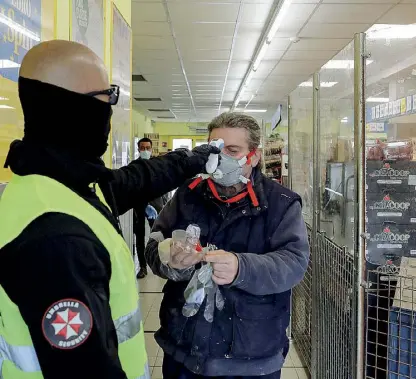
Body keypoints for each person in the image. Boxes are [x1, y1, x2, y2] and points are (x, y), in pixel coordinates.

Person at [0, 40, 219, 379]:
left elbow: (136, 179)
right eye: (109, 97)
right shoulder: (57, 239)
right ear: (75, 107)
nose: (111, 111)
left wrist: (193, 159)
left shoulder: (54, 185)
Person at [145, 112, 310, 379]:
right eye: (215, 149)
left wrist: (241, 268)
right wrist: (170, 260)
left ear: (254, 156)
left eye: (233, 150)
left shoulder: (281, 203)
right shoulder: (188, 194)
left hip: (250, 356)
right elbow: (155, 242)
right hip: (183, 350)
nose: (221, 158)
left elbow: (294, 263)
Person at [133, 137, 169, 279]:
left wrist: (165, 203)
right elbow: (132, 187)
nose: (145, 150)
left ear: (152, 148)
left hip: (156, 204)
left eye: (148, 148)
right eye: (142, 148)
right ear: (138, 149)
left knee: (159, 235)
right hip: (139, 206)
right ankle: (142, 267)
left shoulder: (157, 164)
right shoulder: (134, 166)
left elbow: (164, 184)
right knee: (139, 236)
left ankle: (162, 263)